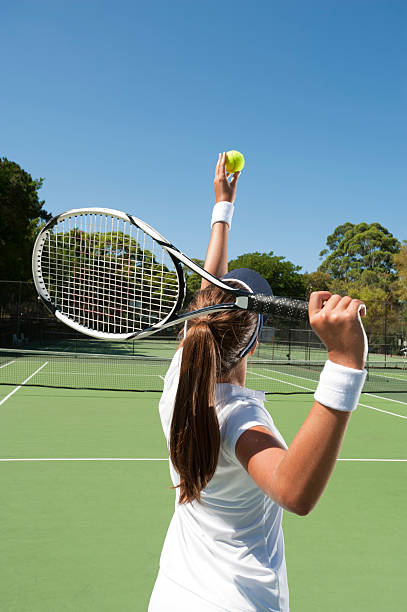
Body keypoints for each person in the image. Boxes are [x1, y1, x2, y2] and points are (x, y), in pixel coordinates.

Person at [148, 153, 367, 611]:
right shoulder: (240, 419)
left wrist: (222, 209)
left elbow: (208, 299)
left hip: (174, 596)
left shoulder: (179, 382)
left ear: (197, 323)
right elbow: (294, 491)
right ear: (256, 342)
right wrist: (345, 362)